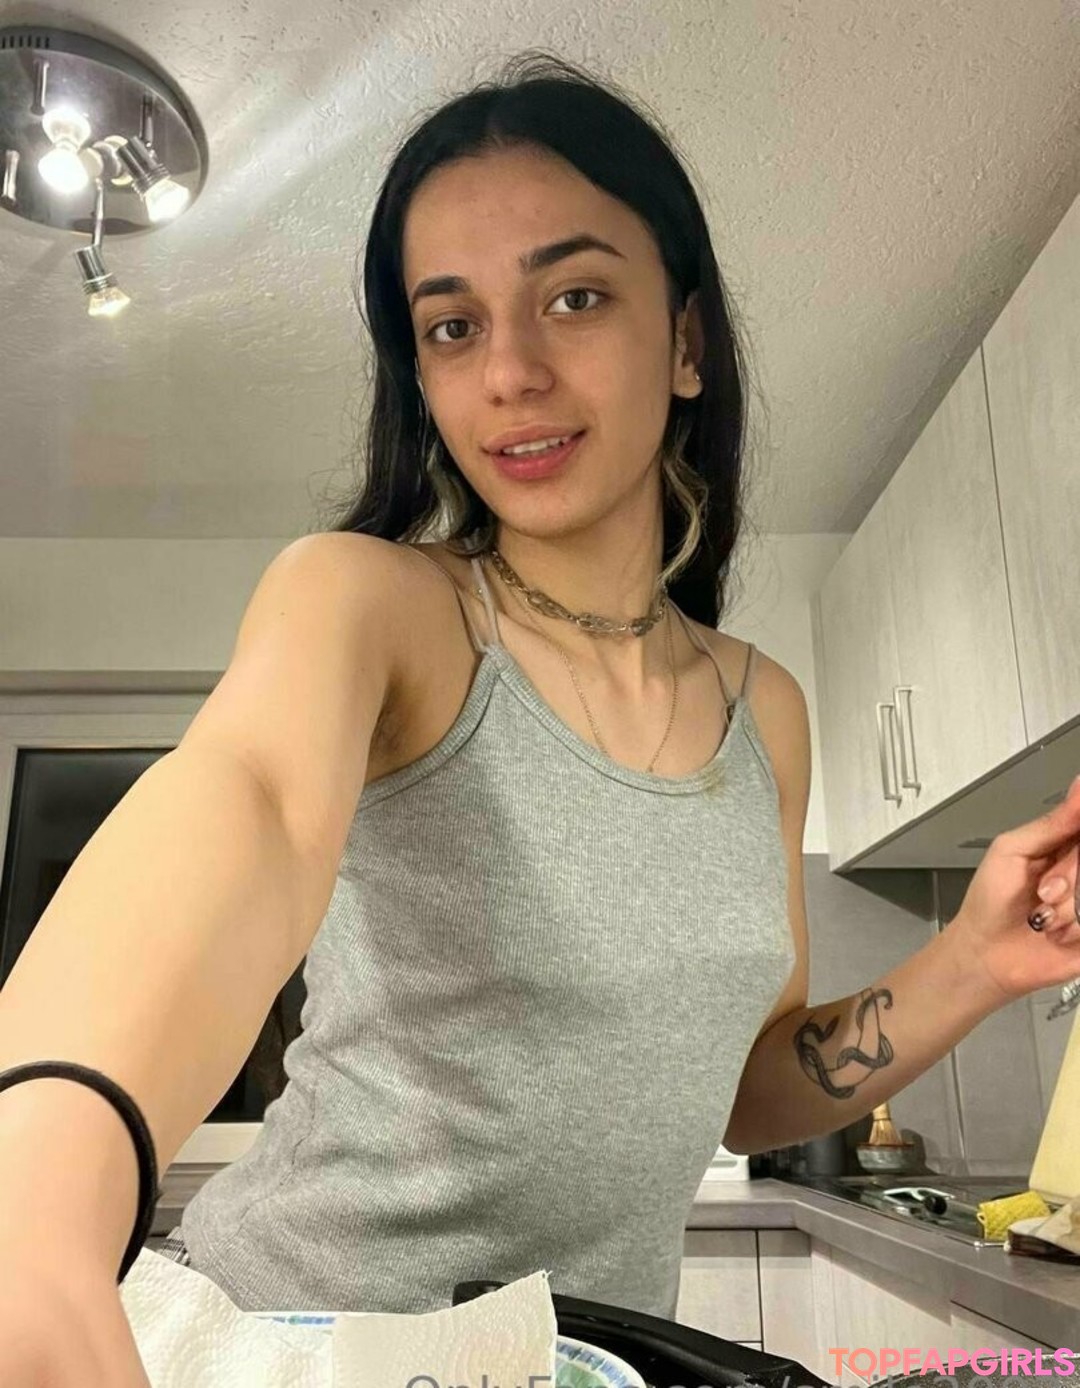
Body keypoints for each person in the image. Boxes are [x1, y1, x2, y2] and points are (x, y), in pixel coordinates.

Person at [2, 49, 1080, 1381]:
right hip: (292, 1345)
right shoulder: (373, 604)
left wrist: (977, 960)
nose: (509, 370)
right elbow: (249, 807)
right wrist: (34, 1202)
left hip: (571, 1362)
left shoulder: (767, 713)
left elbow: (746, 1087)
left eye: (574, 296)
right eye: (452, 326)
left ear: (686, 342)